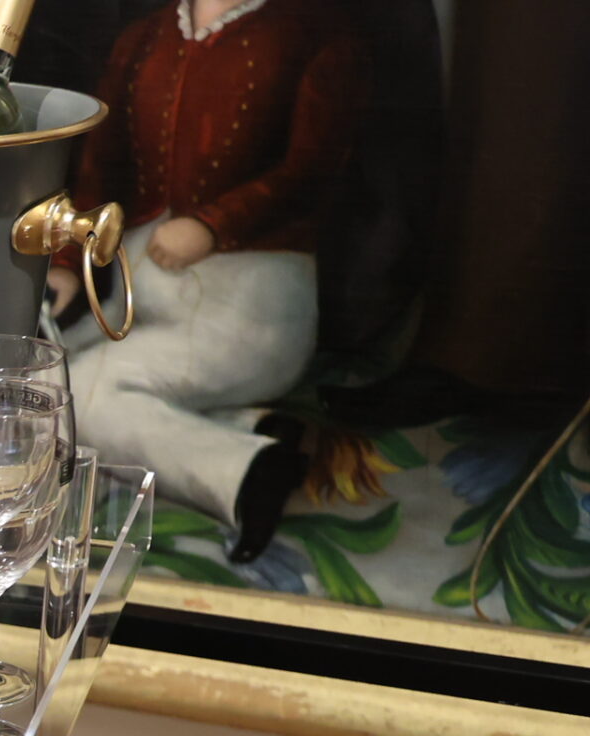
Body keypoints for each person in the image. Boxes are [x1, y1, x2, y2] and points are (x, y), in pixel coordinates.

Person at [48, 0, 364, 562]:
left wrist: (215, 225)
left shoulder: (311, 31)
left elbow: (314, 169)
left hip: (250, 295)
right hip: (137, 284)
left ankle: (248, 475)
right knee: (43, 379)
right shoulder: (143, 37)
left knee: (79, 398)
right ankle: (257, 428)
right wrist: (70, 266)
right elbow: (102, 161)